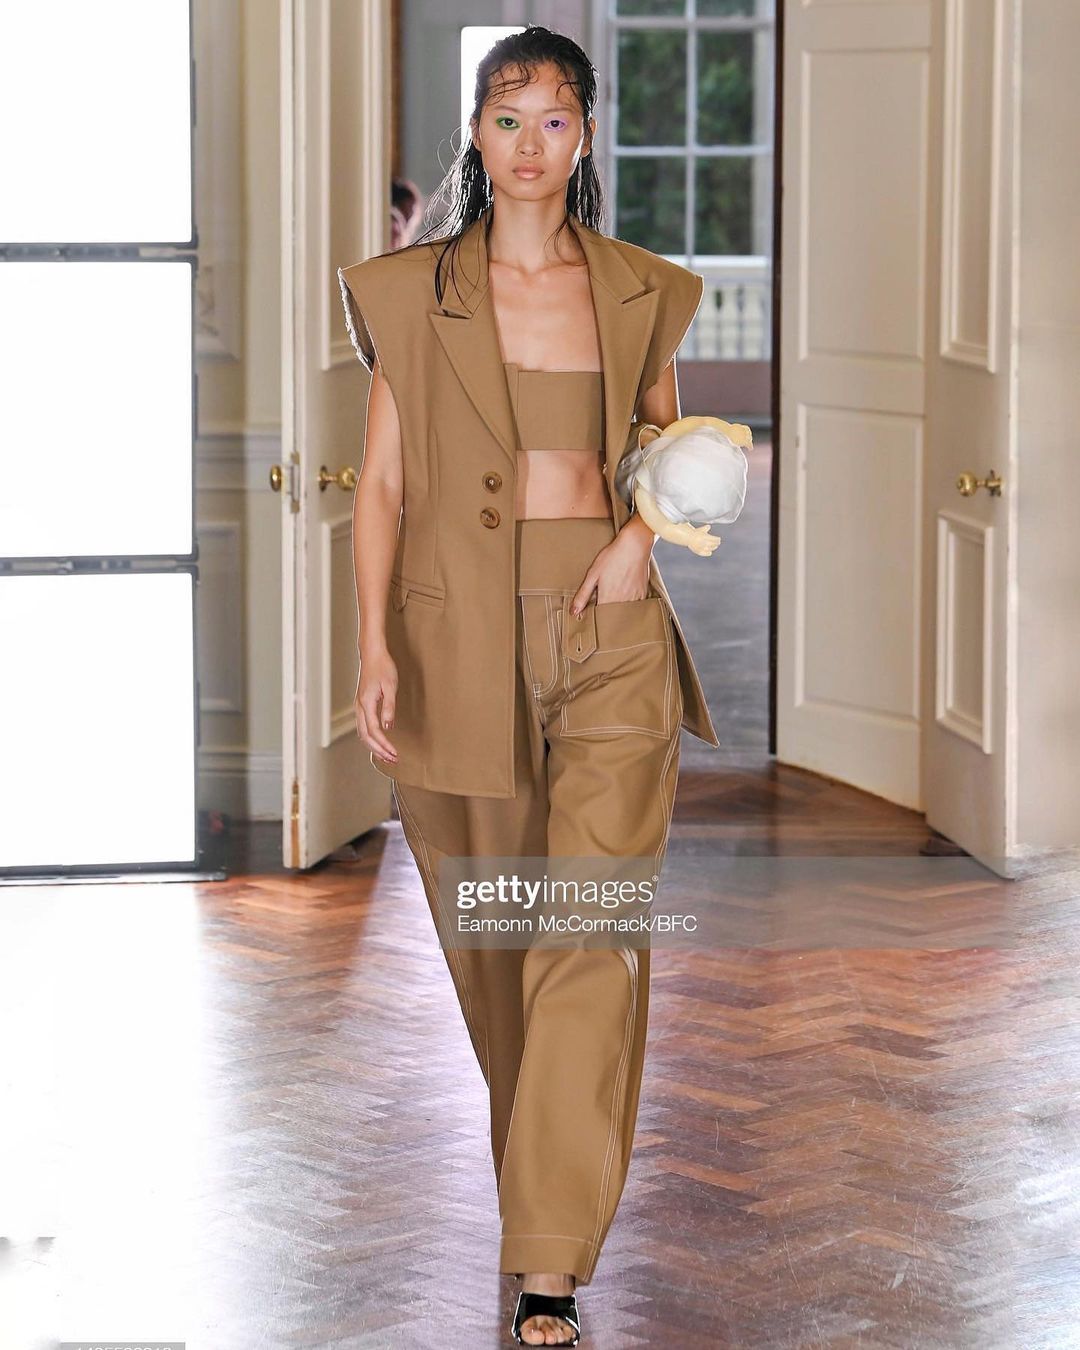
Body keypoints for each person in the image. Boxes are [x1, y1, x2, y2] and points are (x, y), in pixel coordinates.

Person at [339, 26, 718, 1347]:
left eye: (555, 119)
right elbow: (382, 486)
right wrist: (374, 647)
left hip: (611, 631)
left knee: (588, 931)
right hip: (457, 640)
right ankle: (540, 1195)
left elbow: (675, 452)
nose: (530, 144)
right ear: (477, 136)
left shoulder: (639, 289)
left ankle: (547, 1263)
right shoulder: (410, 293)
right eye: (508, 118)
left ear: (586, 136)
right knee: (499, 945)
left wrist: (637, 541)